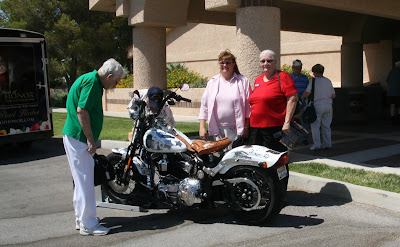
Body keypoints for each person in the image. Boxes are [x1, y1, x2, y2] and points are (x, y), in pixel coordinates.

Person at [62, 58, 126, 236]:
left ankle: (81, 219)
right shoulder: (92, 83)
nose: (116, 84)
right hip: (79, 138)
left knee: (82, 180)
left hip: (75, 137)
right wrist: (90, 140)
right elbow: (82, 111)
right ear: (109, 75)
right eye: (116, 80)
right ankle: (88, 224)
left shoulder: (91, 80)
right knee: (85, 182)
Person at [199, 49, 252, 150]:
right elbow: (204, 106)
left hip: (236, 129)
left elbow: (249, 106)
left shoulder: (242, 81)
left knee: (235, 157)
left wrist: (246, 126)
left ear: (234, 64)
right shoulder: (212, 82)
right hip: (218, 129)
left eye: (228, 62)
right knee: (220, 159)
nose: (224, 65)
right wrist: (202, 127)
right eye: (222, 62)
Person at [249, 50, 298, 152]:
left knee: (275, 159)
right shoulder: (258, 80)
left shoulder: (283, 77)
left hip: (274, 128)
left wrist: (287, 122)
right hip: (255, 128)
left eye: (269, 61)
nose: (265, 64)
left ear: (275, 62)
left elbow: (293, 99)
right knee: (258, 159)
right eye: (262, 61)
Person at [302, 64, 336, 151]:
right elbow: (333, 95)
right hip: (328, 105)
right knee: (326, 126)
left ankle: (317, 145)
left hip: (317, 105)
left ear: (315, 72)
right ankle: (327, 144)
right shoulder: (328, 81)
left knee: (315, 126)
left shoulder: (313, 81)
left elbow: (307, 93)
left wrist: (302, 97)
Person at [290, 59, 311, 145]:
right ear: (292, 68)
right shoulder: (289, 77)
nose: (296, 70)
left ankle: (304, 138)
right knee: (290, 120)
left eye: (298, 68)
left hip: (302, 101)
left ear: (301, 68)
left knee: (304, 121)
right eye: (295, 68)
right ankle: (291, 139)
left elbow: (308, 89)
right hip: (292, 102)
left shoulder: (304, 78)